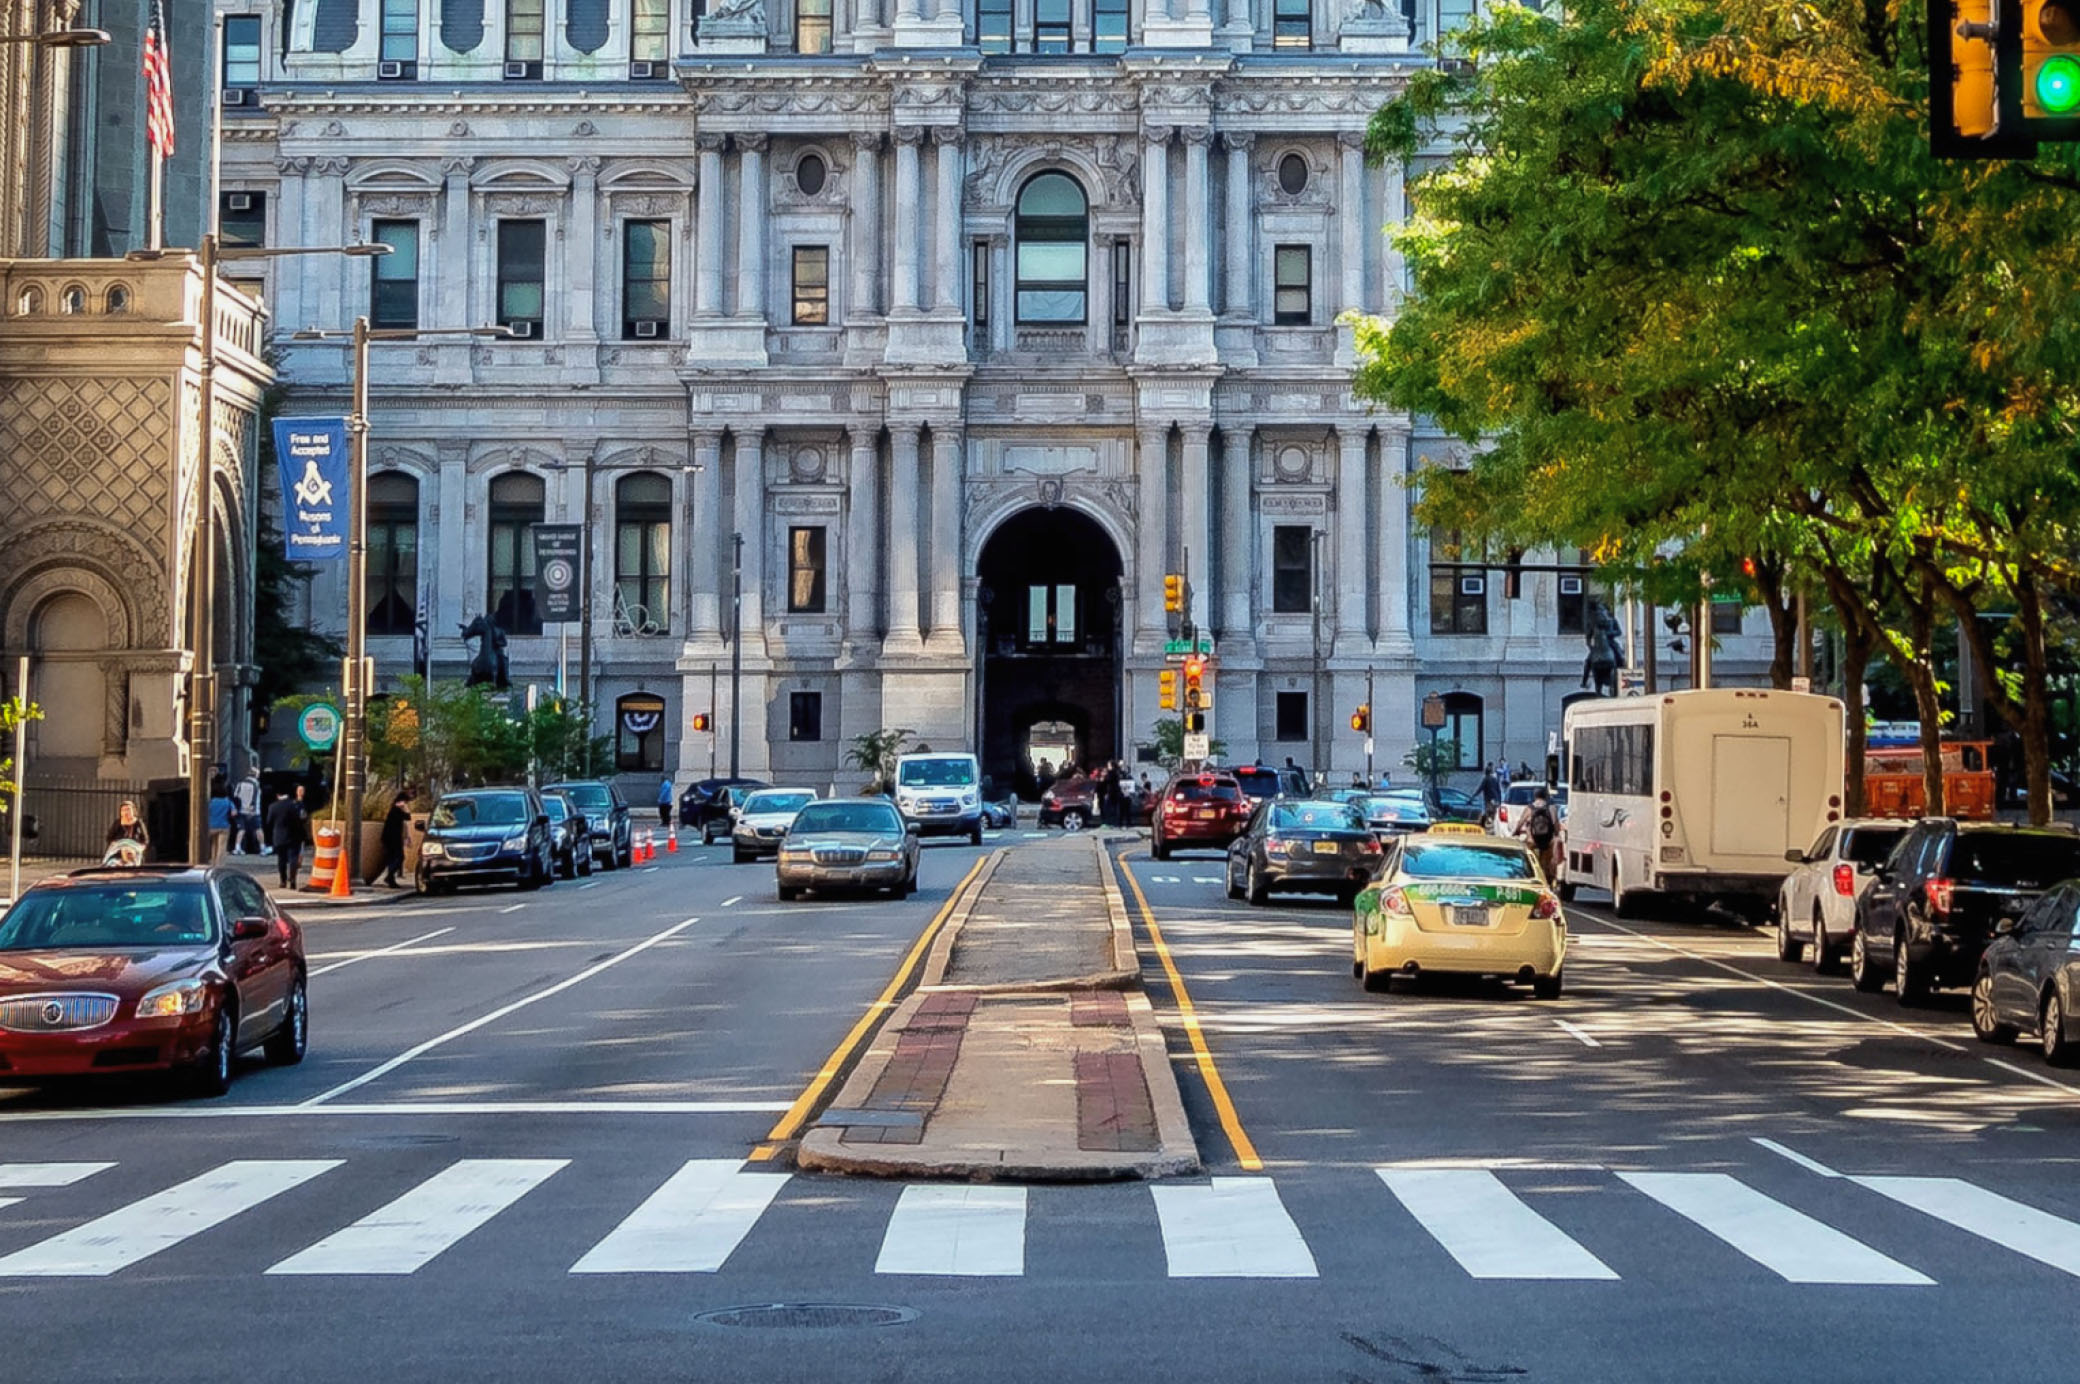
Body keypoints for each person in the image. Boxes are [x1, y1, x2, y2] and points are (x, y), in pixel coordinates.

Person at [266, 785, 312, 890]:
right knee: (293, 858)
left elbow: (269, 822)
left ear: (278, 795)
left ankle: (282, 880)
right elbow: (301, 819)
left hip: (279, 836)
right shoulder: (294, 805)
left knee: (281, 859)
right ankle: (292, 880)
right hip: (294, 835)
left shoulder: (273, 806)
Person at [1515, 790, 1562, 883]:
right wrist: (1557, 833)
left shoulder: (1530, 807)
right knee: (1547, 858)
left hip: (1533, 839)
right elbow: (1555, 823)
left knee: (1526, 854)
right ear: (1545, 797)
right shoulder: (1551, 807)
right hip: (1547, 839)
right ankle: (1547, 877)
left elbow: (1521, 821)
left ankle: (1528, 871)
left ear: (1535, 797)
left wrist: (1516, 831)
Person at [378, 790, 414, 888]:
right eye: (406, 802)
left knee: (392, 858)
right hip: (393, 838)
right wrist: (405, 808)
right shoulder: (396, 810)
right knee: (399, 857)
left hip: (390, 837)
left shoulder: (394, 810)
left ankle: (391, 879)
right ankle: (390, 876)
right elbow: (408, 817)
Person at [232, 766, 263, 855]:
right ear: (255, 775)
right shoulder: (255, 784)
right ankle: (262, 847)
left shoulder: (240, 783)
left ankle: (237, 847)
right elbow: (255, 797)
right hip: (254, 811)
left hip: (241, 810)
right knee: (258, 829)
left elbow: (235, 796)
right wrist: (252, 807)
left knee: (241, 829)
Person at [206, 786, 234, 862]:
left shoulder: (211, 801)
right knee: (222, 847)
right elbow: (234, 813)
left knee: (214, 845)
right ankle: (219, 865)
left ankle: (213, 862)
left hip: (211, 826)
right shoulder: (228, 801)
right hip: (224, 826)